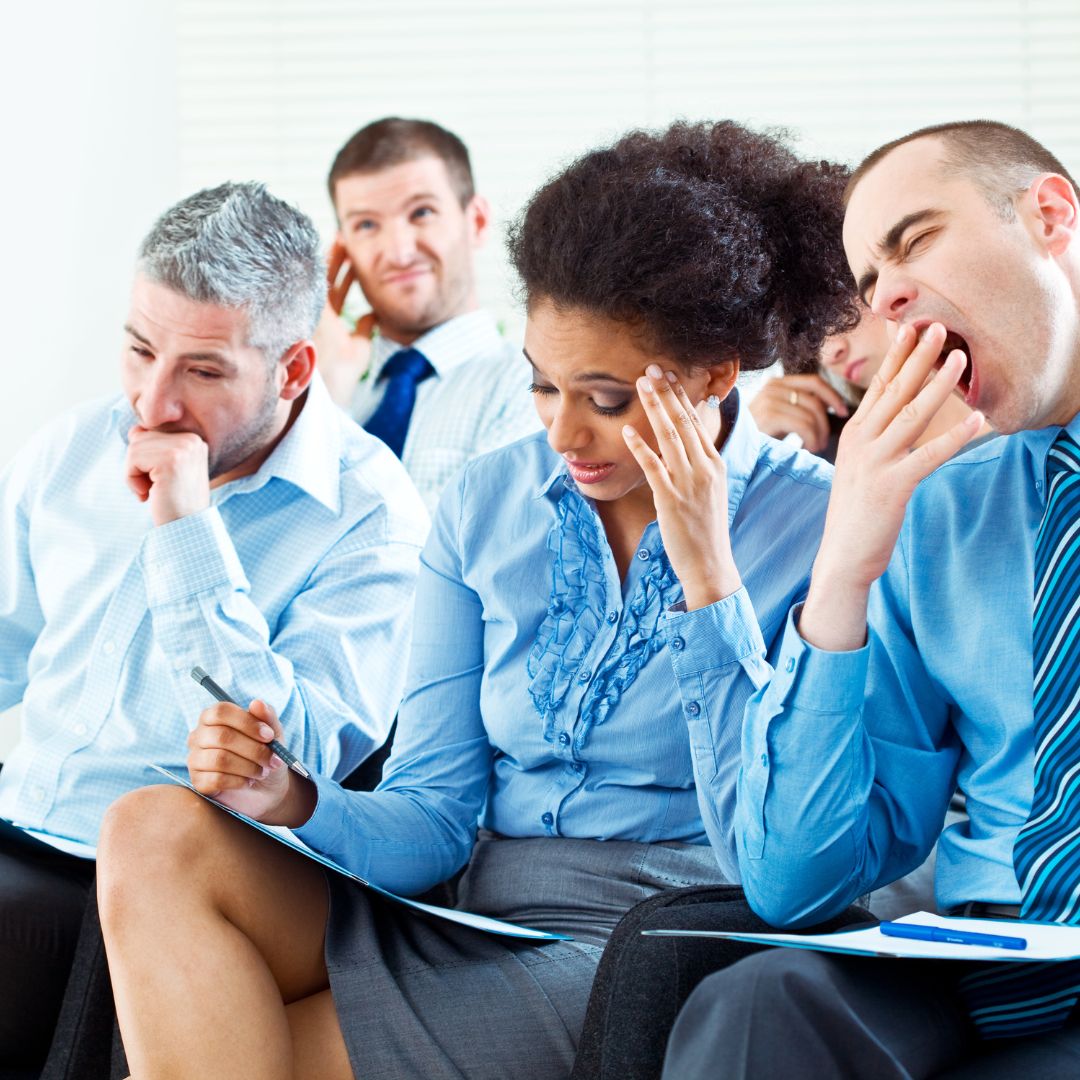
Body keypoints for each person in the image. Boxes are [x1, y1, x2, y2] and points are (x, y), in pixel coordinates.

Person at [93, 120, 857, 1080]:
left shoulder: (818, 528)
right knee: (149, 831)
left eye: (607, 399)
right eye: (540, 386)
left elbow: (781, 849)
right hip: (466, 908)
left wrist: (709, 572)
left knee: (241, 1050)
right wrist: (287, 795)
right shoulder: (488, 504)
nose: (564, 434)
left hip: (652, 944)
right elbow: (434, 817)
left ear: (715, 375)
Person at [658, 120, 1080, 1077]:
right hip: (988, 961)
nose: (887, 299)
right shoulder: (939, 505)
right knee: (757, 1005)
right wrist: (844, 567)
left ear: (1050, 215)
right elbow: (793, 882)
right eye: (868, 284)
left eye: (915, 241)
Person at [0, 182, 427, 1070]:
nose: (151, 406)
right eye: (139, 351)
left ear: (294, 370)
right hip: (16, 824)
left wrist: (188, 535)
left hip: (161, 881)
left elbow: (299, 760)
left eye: (201, 371)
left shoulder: (370, 514)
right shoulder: (71, 449)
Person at [314, 116, 541, 512]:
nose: (399, 251)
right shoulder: (326, 395)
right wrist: (325, 393)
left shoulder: (531, 389)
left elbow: (454, 554)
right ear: (342, 249)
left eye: (421, 213)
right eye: (366, 224)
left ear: (477, 221)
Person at [750, 304, 992, 460]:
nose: (829, 354)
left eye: (839, 312)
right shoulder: (835, 463)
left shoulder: (1023, 419)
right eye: (808, 336)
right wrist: (746, 447)